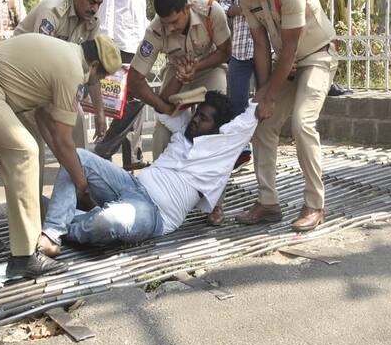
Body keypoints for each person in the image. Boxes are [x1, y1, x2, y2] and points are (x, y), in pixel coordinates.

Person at [0, 33, 122, 278]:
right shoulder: (71, 71)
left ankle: (30, 236)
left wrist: (67, 161)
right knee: (25, 153)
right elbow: (63, 140)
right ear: (93, 66)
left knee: (26, 153)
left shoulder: (66, 53)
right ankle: (25, 257)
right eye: (99, 77)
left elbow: (46, 121)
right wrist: (83, 187)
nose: (95, 83)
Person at [37, 91, 257, 254]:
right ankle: (53, 232)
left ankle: (71, 220)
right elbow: (161, 102)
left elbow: (257, 107)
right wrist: (185, 94)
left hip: (155, 213)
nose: (196, 119)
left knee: (108, 221)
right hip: (131, 185)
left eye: (204, 118)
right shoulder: (183, 128)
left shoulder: (222, 149)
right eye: (197, 114)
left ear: (217, 129)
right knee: (77, 157)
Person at [223, 0, 337, 231]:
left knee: (302, 123)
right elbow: (261, 45)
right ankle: (268, 202)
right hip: (285, 63)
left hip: (315, 57)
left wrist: (270, 94)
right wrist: (264, 93)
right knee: (262, 122)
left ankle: (314, 204)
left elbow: (289, 48)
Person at [14, 0, 110, 194]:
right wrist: (55, 134)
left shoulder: (91, 21)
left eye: (99, 3)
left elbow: (92, 67)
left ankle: (76, 199)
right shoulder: (52, 12)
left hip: (55, 85)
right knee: (32, 150)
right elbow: (40, 63)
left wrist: (99, 112)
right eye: (91, 2)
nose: (94, 8)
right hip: (24, 82)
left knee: (76, 136)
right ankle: (34, 211)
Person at [128, 0, 232, 160]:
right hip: (175, 71)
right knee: (163, 128)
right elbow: (134, 79)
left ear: (187, 8)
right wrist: (164, 108)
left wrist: (197, 66)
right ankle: (160, 177)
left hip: (209, 67)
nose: (170, 28)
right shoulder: (155, 31)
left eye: (174, 22)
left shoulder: (211, 12)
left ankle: (213, 175)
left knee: (216, 117)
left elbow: (225, 52)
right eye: (165, 23)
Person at [94, 0, 149, 170]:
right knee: (131, 103)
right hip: (120, 47)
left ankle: (133, 156)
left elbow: (135, 15)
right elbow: (105, 10)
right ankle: (103, 150)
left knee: (132, 104)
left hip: (135, 45)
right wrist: (106, 46)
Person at [219, 0, 269, 118]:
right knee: (237, 104)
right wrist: (241, 10)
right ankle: (242, 147)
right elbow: (223, 4)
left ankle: (261, 140)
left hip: (267, 49)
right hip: (240, 49)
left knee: (263, 101)